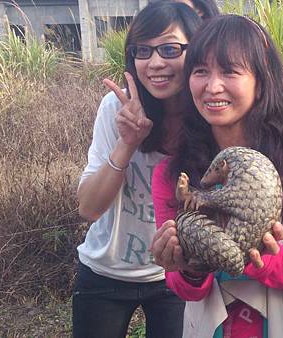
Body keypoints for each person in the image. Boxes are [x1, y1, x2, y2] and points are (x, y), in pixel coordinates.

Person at [151, 14, 283, 338]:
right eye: (200, 71)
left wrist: (244, 252)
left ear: (261, 81)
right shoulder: (172, 174)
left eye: (230, 71)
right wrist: (185, 267)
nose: (212, 86)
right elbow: (183, 286)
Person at [73, 2, 215, 337]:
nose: (154, 64)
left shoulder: (210, 116)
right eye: (143, 51)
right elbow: (89, 208)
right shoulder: (116, 108)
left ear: (195, 51)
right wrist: (128, 143)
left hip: (177, 275)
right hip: (104, 272)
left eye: (169, 49)